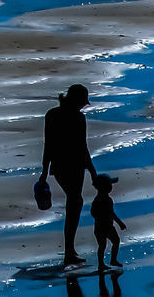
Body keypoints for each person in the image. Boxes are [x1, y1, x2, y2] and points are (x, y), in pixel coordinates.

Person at [39, 83, 97, 266]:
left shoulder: (52, 115)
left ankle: (69, 251)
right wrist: (93, 173)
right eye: (83, 102)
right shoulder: (78, 118)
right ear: (77, 101)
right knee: (75, 202)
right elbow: (83, 147)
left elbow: (48, 145)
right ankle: (69, 252)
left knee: (75, 202)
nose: (83, 106)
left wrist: (44, 171)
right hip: (74, 166)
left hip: (60, 166)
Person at [90, 173, 126, 270]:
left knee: (108, 243)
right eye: (109, 185)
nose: (111, 187)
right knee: (105, 244)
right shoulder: (102, 200)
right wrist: (119, 222)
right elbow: (97, 213)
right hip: (104, 226)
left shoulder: (102, 200)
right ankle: (104, 263)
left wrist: (119, 223)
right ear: (103, 187)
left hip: (102, 226)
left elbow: (95, 213)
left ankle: (108, 262)